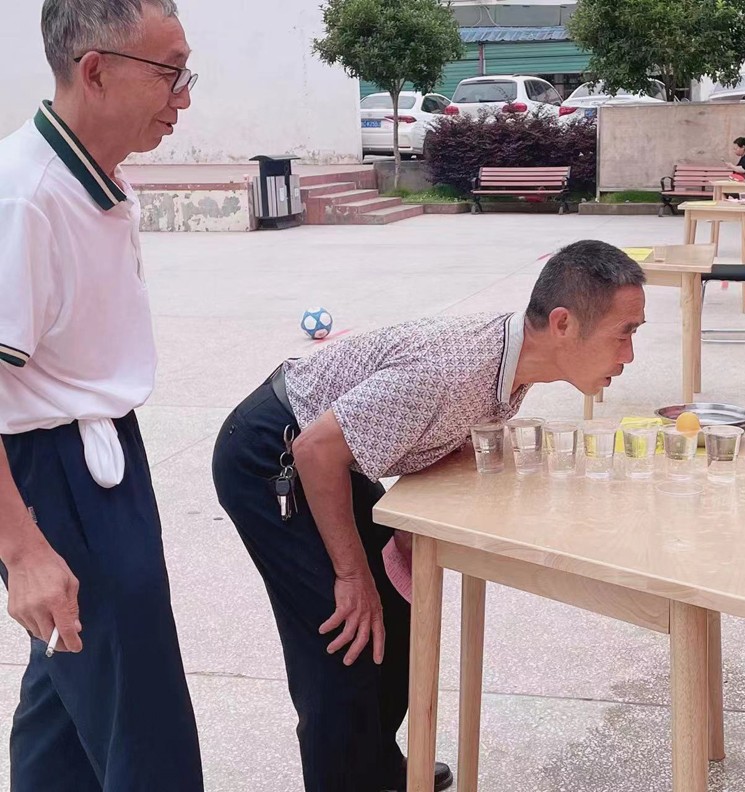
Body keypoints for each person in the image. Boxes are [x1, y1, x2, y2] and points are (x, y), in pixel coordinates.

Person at [211, 240, 647, 792]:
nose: (630, 354)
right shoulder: (452, 371)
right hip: (272, 456)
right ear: (563, 324)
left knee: (397, 618)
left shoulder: (514, 363)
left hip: (330, 450)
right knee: (344, 640)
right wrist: (352, 576)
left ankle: (376, 769)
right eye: (624, 332)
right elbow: (316, 451)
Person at [0, 2, 203, 790]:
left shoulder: (94, 177)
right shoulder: (26, 196)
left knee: (67, 704)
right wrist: (23, 552)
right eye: (170, 73)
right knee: (145, 730)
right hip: (56, 474)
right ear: (95, 71)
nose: (183, 96)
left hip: (98, 453)